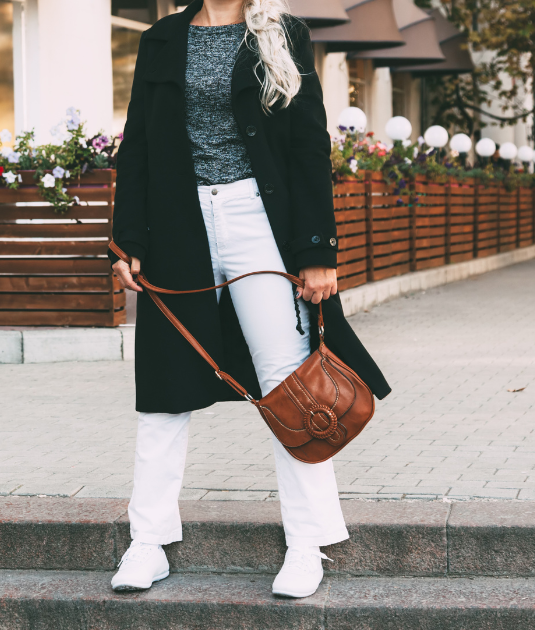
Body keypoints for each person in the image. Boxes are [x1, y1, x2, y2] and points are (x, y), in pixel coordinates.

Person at [108, 0, 390, 599]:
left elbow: (310, 144)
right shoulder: (162, 38)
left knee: (290, 381)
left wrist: (318, 250)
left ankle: (307, 545)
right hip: (177, 222)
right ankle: (148, 542)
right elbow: (137, 145)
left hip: (257, 217)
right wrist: (126, 240)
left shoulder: (283, 32)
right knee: (162, 387)